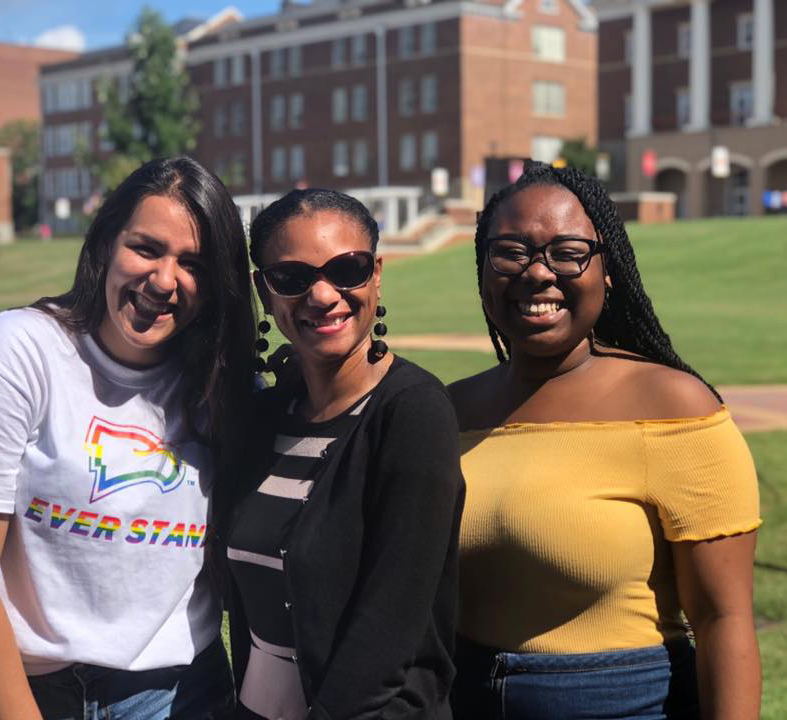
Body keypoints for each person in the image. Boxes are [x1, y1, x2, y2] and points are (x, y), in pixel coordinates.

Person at [0, 156, 256, 720]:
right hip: (23, 692)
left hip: (177, 695)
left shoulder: (222, 381)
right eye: (146, 248)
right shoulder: (19, 351)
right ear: (106, 244)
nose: (164, 280)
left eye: (193, 263)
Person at [448, 164, 761, 720]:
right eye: (510, 252)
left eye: (568, 252)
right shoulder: (448, 410)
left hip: (625, 704)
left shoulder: (673, 407)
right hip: (459, 696)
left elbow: (723, 621)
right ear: (483, 270)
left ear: (607, 269)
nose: (537, 273)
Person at [220, 188, 464, 720]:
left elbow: (389, 626)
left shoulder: (413, 412)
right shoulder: (265, 419)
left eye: (347, 269)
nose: (323, 295)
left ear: (377, 274)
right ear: (265, 291)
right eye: (292, 278)